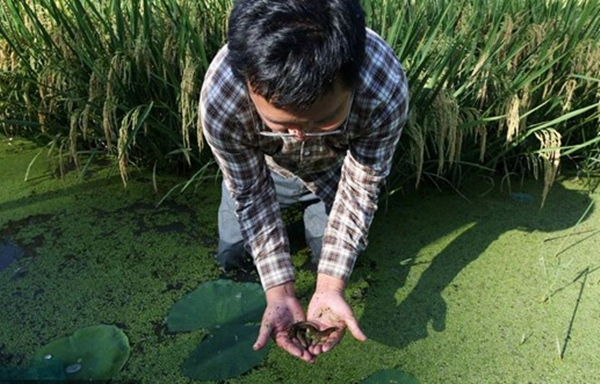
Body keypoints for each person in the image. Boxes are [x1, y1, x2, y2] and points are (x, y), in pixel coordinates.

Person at [200, 0, 409, 363]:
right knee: (234, 256)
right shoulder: (222, 98)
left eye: (323, 120)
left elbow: (360, 188)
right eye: (280, 124)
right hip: (261, 170)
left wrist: (330, 284)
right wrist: (278, 292)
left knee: (328, 259)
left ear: (354, 80)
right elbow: (249, 192)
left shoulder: (383, 88)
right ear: (248, 83)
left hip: (334, 173)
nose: (298, 136)